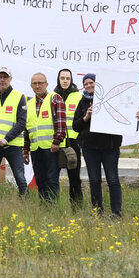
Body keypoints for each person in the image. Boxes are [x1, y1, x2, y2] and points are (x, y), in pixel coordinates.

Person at [72, 73, 139, 218]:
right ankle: (97, 212)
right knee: (94, 180)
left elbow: (127, 116)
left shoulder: (113, 99)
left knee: (113, 179)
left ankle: (116, 212)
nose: (89, 85)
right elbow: (75, 126)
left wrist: (136, 115)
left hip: (110, 147)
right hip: (90, 148)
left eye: (92, 83)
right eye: (86, 84)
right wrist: (86, 117)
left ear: (98, 84)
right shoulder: (83, 102)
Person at [0, 66, 30, 195]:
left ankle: (26, 204)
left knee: (20, 178)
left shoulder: (19, 96)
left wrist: (6, 139)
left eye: (5, 77)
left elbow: (22, 122)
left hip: (13, 145)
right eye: (0, 77)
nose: (2, 80)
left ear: (10, 79)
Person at [26, 72, 68, 202]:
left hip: (51, 148)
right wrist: (25, 150)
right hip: (35, 148)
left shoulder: (55, 98)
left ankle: (53, 207)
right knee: (40, 180)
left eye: (40, 83)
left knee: (52, 179)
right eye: (35, 83)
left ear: (47, 84)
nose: (38, 86)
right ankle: (44, 206)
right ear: (31, 86)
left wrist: (57, 142)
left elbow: (61, 122)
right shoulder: (29, 103)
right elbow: (26, 130)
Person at [54, 68, 84, 206]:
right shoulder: (52, 96)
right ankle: (53, 206)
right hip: (56, 142)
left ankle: (77, 207)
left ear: (71, 80)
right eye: (62, 78)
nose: (65, 81)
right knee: (53, 177)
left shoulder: (79, 96)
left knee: (74, 178)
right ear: (58, 80)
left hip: (73, 142)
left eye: (67, 78)